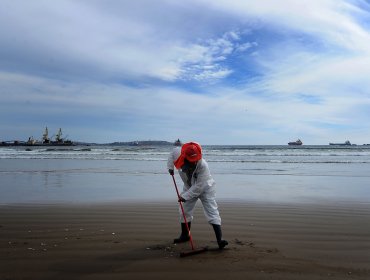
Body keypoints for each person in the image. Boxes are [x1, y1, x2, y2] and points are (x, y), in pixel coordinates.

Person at [170, 142, 228, 249]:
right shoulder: (177, 153)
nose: (194, 162)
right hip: (189, 186)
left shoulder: (203, 166)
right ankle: (185, 235)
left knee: (212, 210)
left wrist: (184, 196)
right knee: (184, 209)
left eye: (195, 159)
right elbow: (171, 156)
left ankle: (220, 239)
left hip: (206, 187)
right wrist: (170, 168)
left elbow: (199, 187)